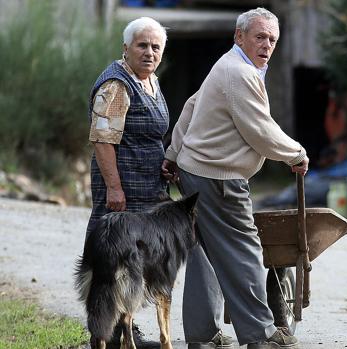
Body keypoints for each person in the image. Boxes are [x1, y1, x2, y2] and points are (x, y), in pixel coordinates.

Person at [162, 7, 307, 349]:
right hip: (217, 179)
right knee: (245, 252)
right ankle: (261, 335)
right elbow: (260, 131)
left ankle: (202, 335)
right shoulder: (239, 72)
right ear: (238, 37)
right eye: (259, 37)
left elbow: (191, 106)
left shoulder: (228, 65)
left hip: (195, 172)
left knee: (205, 255)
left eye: (272, 39)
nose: (267, 44)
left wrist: (173, 153)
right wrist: (296, 153)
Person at [85, 17, 169, 348]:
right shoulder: (117, 85)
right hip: (123, 191)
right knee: (113, 263)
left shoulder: (150, 81)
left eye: (155, 46)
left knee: (135, 262)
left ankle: (125, 330)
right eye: (142, 45)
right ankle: (108, 334)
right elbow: (103, 139)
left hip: (147, 189)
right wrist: (114, 189)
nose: (149, 52)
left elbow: (147, 134)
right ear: (126, 48)